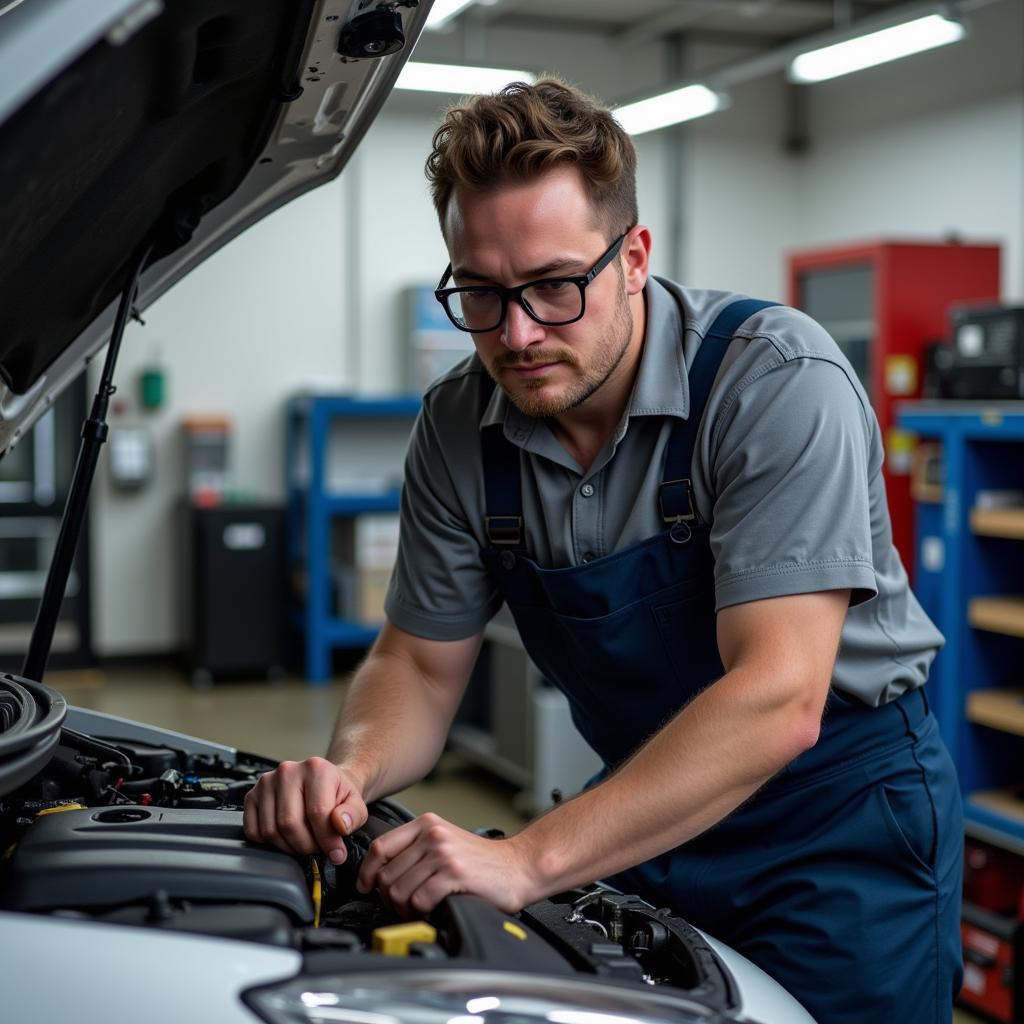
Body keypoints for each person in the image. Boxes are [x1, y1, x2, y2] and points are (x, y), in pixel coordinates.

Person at [244, 78, 962, 1022]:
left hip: (838, 822)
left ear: (633, 258)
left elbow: (780, 698)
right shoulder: (460, 425)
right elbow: (417, 662)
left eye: (552, 286)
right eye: (482, 295)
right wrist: (350, 773)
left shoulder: (775, 382)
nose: (517, 333)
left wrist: (527, 857)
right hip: (644, 812)